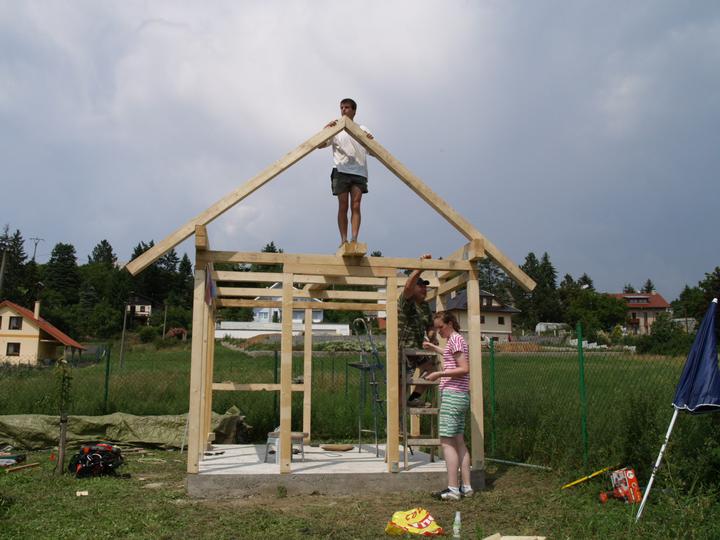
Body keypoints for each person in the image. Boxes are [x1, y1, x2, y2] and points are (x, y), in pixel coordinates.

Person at [423, 311, 473, 501]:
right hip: (460, 396)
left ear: (450, 323)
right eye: (437, 328)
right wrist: (434, 348)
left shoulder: (456, 340)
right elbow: (451, 355)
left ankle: (453, 489)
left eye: (441, 327)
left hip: (453, 396)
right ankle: (466, 487)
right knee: (459, 441)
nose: (439, 331)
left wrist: (439, 374)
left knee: (447, 442)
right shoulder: (456, 340)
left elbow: (464, 368)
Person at [318, 98, 374, 246]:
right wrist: (325, 130)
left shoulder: (363, 129)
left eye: (347, 107)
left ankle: (354, 239)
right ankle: (344, 240)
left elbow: (374, 152)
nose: (343, 110)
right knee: (343, 206)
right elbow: (320, 145)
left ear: (354, 111)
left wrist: (370, 141)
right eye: (342, 107)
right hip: (341, 170)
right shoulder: (336, 128)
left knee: (356, 205)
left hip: (359, 171)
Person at [398, 254, 438, 407]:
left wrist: (431, 336)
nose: (424, 289)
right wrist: (420, 268)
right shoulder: (407, 301)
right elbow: (407, 287)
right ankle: (398, 418)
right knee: (401, 384)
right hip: (402, 350)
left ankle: (413, 398)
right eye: (420, 285)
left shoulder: (425, 306)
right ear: (413, 287)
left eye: (425, 286)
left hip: (417, 349)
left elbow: (430, 325)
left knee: (431, 370)